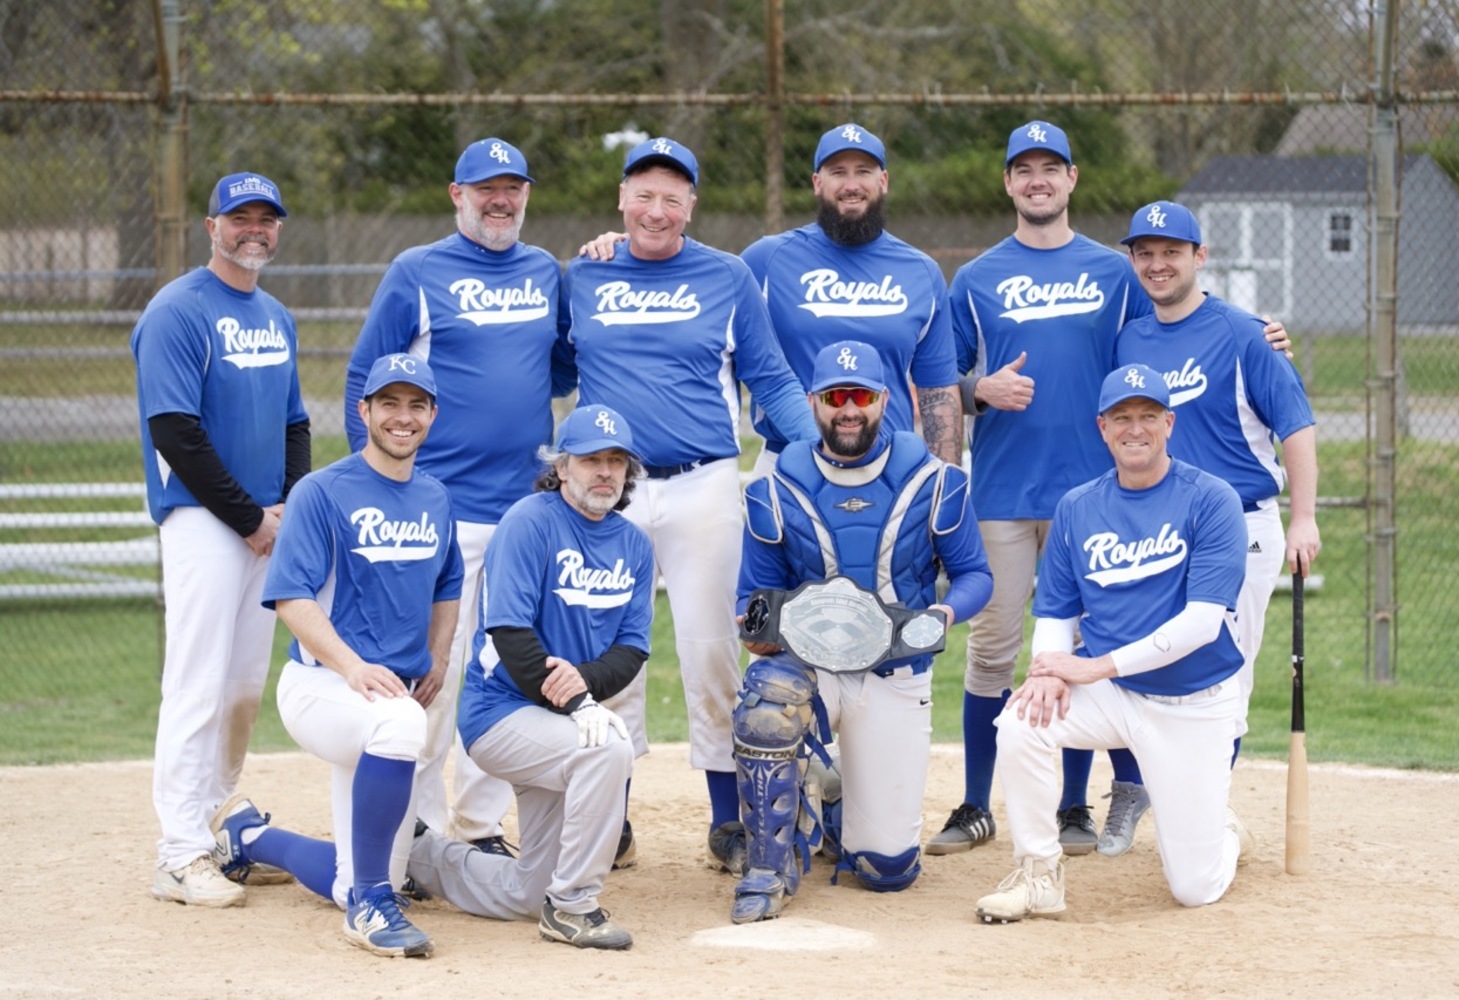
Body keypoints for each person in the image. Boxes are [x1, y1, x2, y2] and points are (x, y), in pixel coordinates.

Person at [937, 121, 1290, 859]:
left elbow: (1180, 314)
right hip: (1003, 488)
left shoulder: (1114, 271)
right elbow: (938, 386)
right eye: (1023, 169)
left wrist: (1258, 331)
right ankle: (975, 804)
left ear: (1072, 179)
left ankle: (1076, 807)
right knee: (997, 651)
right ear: (1008, 183)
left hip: (1098, 497)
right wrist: (978, 390)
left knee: (1103, 642)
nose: (1037, 180)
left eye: (1051, 168)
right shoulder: (973, 279)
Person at [557, 137, 820, 872]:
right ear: (620, 199)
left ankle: (728, 820)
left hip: (705, 481)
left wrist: (818, 457)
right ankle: (611, 816)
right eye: (643, 193)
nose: (656, 209)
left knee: (712, 650)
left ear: (691, 207)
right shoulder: (587, 272)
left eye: (673, 197)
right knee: (606, 652)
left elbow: (769, 377)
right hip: (610, 488)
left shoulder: (726, 276)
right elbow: (548, 365)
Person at [344, 137, 574, 859]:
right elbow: (364, 379)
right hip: (439, 511)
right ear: (457, 195)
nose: (500, 200)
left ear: (527, 196)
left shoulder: (546, 271)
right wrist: (380, 491)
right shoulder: (417, 271)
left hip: (525, 513)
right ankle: (417, 830)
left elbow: (563, 368)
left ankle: (477, 827)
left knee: (504, 671)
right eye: (485, 188)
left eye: (513, 188)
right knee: (429, 671)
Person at [974, 363, 1252, 924]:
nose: (1135, 429)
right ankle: (1039, 874)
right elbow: (1055, 609)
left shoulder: (1211, 499)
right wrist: (1050, 668)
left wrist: (1094, 666)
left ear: (1169, 423)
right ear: (1102, 427)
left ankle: (1221, 828)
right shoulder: (1079, 506)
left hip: (1193, 703)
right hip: (1115, 694)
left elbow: (1202, 623)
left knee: (1193, 888)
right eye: (1122, 417)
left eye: (1148, 416)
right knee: (1020, 723)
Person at [729, 340, 992, 923]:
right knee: (767, 701)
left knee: (886, 870)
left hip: (894, 669)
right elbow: (753, 592)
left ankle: (833, 795)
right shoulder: (775, 486)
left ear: (885, 400)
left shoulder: (934, 479)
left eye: (862, 397)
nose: (849, 410)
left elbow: (975, 574)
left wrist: (946, 615)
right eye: (835, 397)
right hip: (809, 668)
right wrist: (755, 627)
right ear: (814, 403)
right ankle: (768, 865)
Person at [211, 353, 463, 958]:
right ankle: (370, 911)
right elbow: (291, 597)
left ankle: (251, 836)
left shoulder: (434, 495)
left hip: (384, 698)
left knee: (357, 871)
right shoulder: (322, 491)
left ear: (432, 414)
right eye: (389, 404)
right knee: (404, 722)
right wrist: (353, 667)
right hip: (323, 685)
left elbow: (448, 583)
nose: (403, 417)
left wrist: (438, 655)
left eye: (415, 405)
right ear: (365, 411)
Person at [1099, 200, 1320, 846]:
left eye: (1172, 251)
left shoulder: (1244, 333)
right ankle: (1159, 802)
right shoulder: (1132, 337)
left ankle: (1204, 815)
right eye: (1145, 252)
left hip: (1241, 527)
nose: (1157, 263)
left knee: (1221, 677)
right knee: (1149, 670)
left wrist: (1304, 518)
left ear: (1200, 257)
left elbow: (1296, 427)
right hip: (1157, 533)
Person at [400, 403, 654, 951]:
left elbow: (632, 650)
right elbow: (511, 636)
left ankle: (415, 854)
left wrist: (580, 688)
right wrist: (579, 704)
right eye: (590, 460)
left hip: (561, 718)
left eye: (616, 460)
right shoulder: (528, 522)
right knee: (609, 748)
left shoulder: (634, 544)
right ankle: (573, 906)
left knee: (524, 891)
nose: (605, 472)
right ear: (562, 468)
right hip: (502, 715)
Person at [131, 171, 310, 908]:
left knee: (240, 689)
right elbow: (175, 432)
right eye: (241, 217)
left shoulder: (274, 314)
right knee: (198, 682)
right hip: (205, 520)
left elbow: (296, 422)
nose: (255, 229)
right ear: (213, 226)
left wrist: (289, 510)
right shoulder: (178, 311)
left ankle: (217, 830)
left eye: (267, 218)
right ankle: (178, 852)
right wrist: (250, 518)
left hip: (264, 524)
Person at [738, 122, 961, 469]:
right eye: (838, 172)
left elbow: (937, 394)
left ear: (883, 181)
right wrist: (626, 251)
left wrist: (947, 482)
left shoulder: (921, 271)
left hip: (891, 465)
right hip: (790, 459)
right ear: (817, 183)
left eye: (864, 172)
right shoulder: (765, 260)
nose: (851, 185)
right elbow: (703, 292)